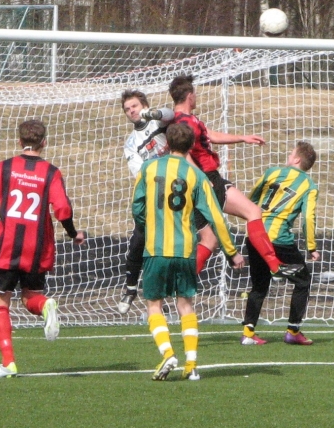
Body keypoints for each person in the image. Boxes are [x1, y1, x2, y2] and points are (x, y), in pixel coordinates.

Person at [132, 122, 245, 382]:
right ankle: (191, 364)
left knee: (154, 304)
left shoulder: (149, 168)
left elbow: (137, 206)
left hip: (156, 250)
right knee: (185, 304)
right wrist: (231, 251)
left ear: (167, 144)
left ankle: (168, 353)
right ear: (191, 145)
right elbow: (216, 217)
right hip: (185, 251)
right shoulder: (197, 176)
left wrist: (147, 226)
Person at [0, 119, 87, 377]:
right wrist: (73, 233)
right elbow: (62, 209)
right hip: (37, 247)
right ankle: (45, 305)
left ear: (19, 141)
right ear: (44, 142)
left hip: (8, 245)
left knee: (0, 302)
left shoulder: (5, 167)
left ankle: (9, 362)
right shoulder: (51, 172)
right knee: (30, 297)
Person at [168, 74, 300, 280]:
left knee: (209, 240)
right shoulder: (185, 122)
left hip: (204, 180)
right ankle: (274, 266)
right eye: (195, 94)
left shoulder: (186, 120)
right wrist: (202, 178)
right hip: (207, 179)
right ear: (190, 96)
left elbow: (210, 135)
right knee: (252, 212)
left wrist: (242, 138)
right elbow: (184, 155)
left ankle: (181, 283)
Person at [116, 89, 219, 314]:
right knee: (138, 241)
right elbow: (138, 171)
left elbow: (170, 114)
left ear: (144, 106)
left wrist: (154, 113)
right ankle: (131, 288)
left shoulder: (159, 123)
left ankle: (177, 288)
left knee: (200, 234)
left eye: (134, 106)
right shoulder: (131, 143)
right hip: (158, 192)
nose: (131, 111)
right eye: (127, 109)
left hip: (180, 188)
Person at [240, 141, 321, 346]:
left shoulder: (272, 172)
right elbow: (308, 217)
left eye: (291, 153)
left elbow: (251, 198)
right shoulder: (309, 186)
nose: (288, 155)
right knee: (303, 281)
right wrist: (311, 246)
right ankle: (293, 330)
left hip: (255, 233)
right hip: (278, 239)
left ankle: (248, 333)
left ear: (297, 159)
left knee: (259, 284)